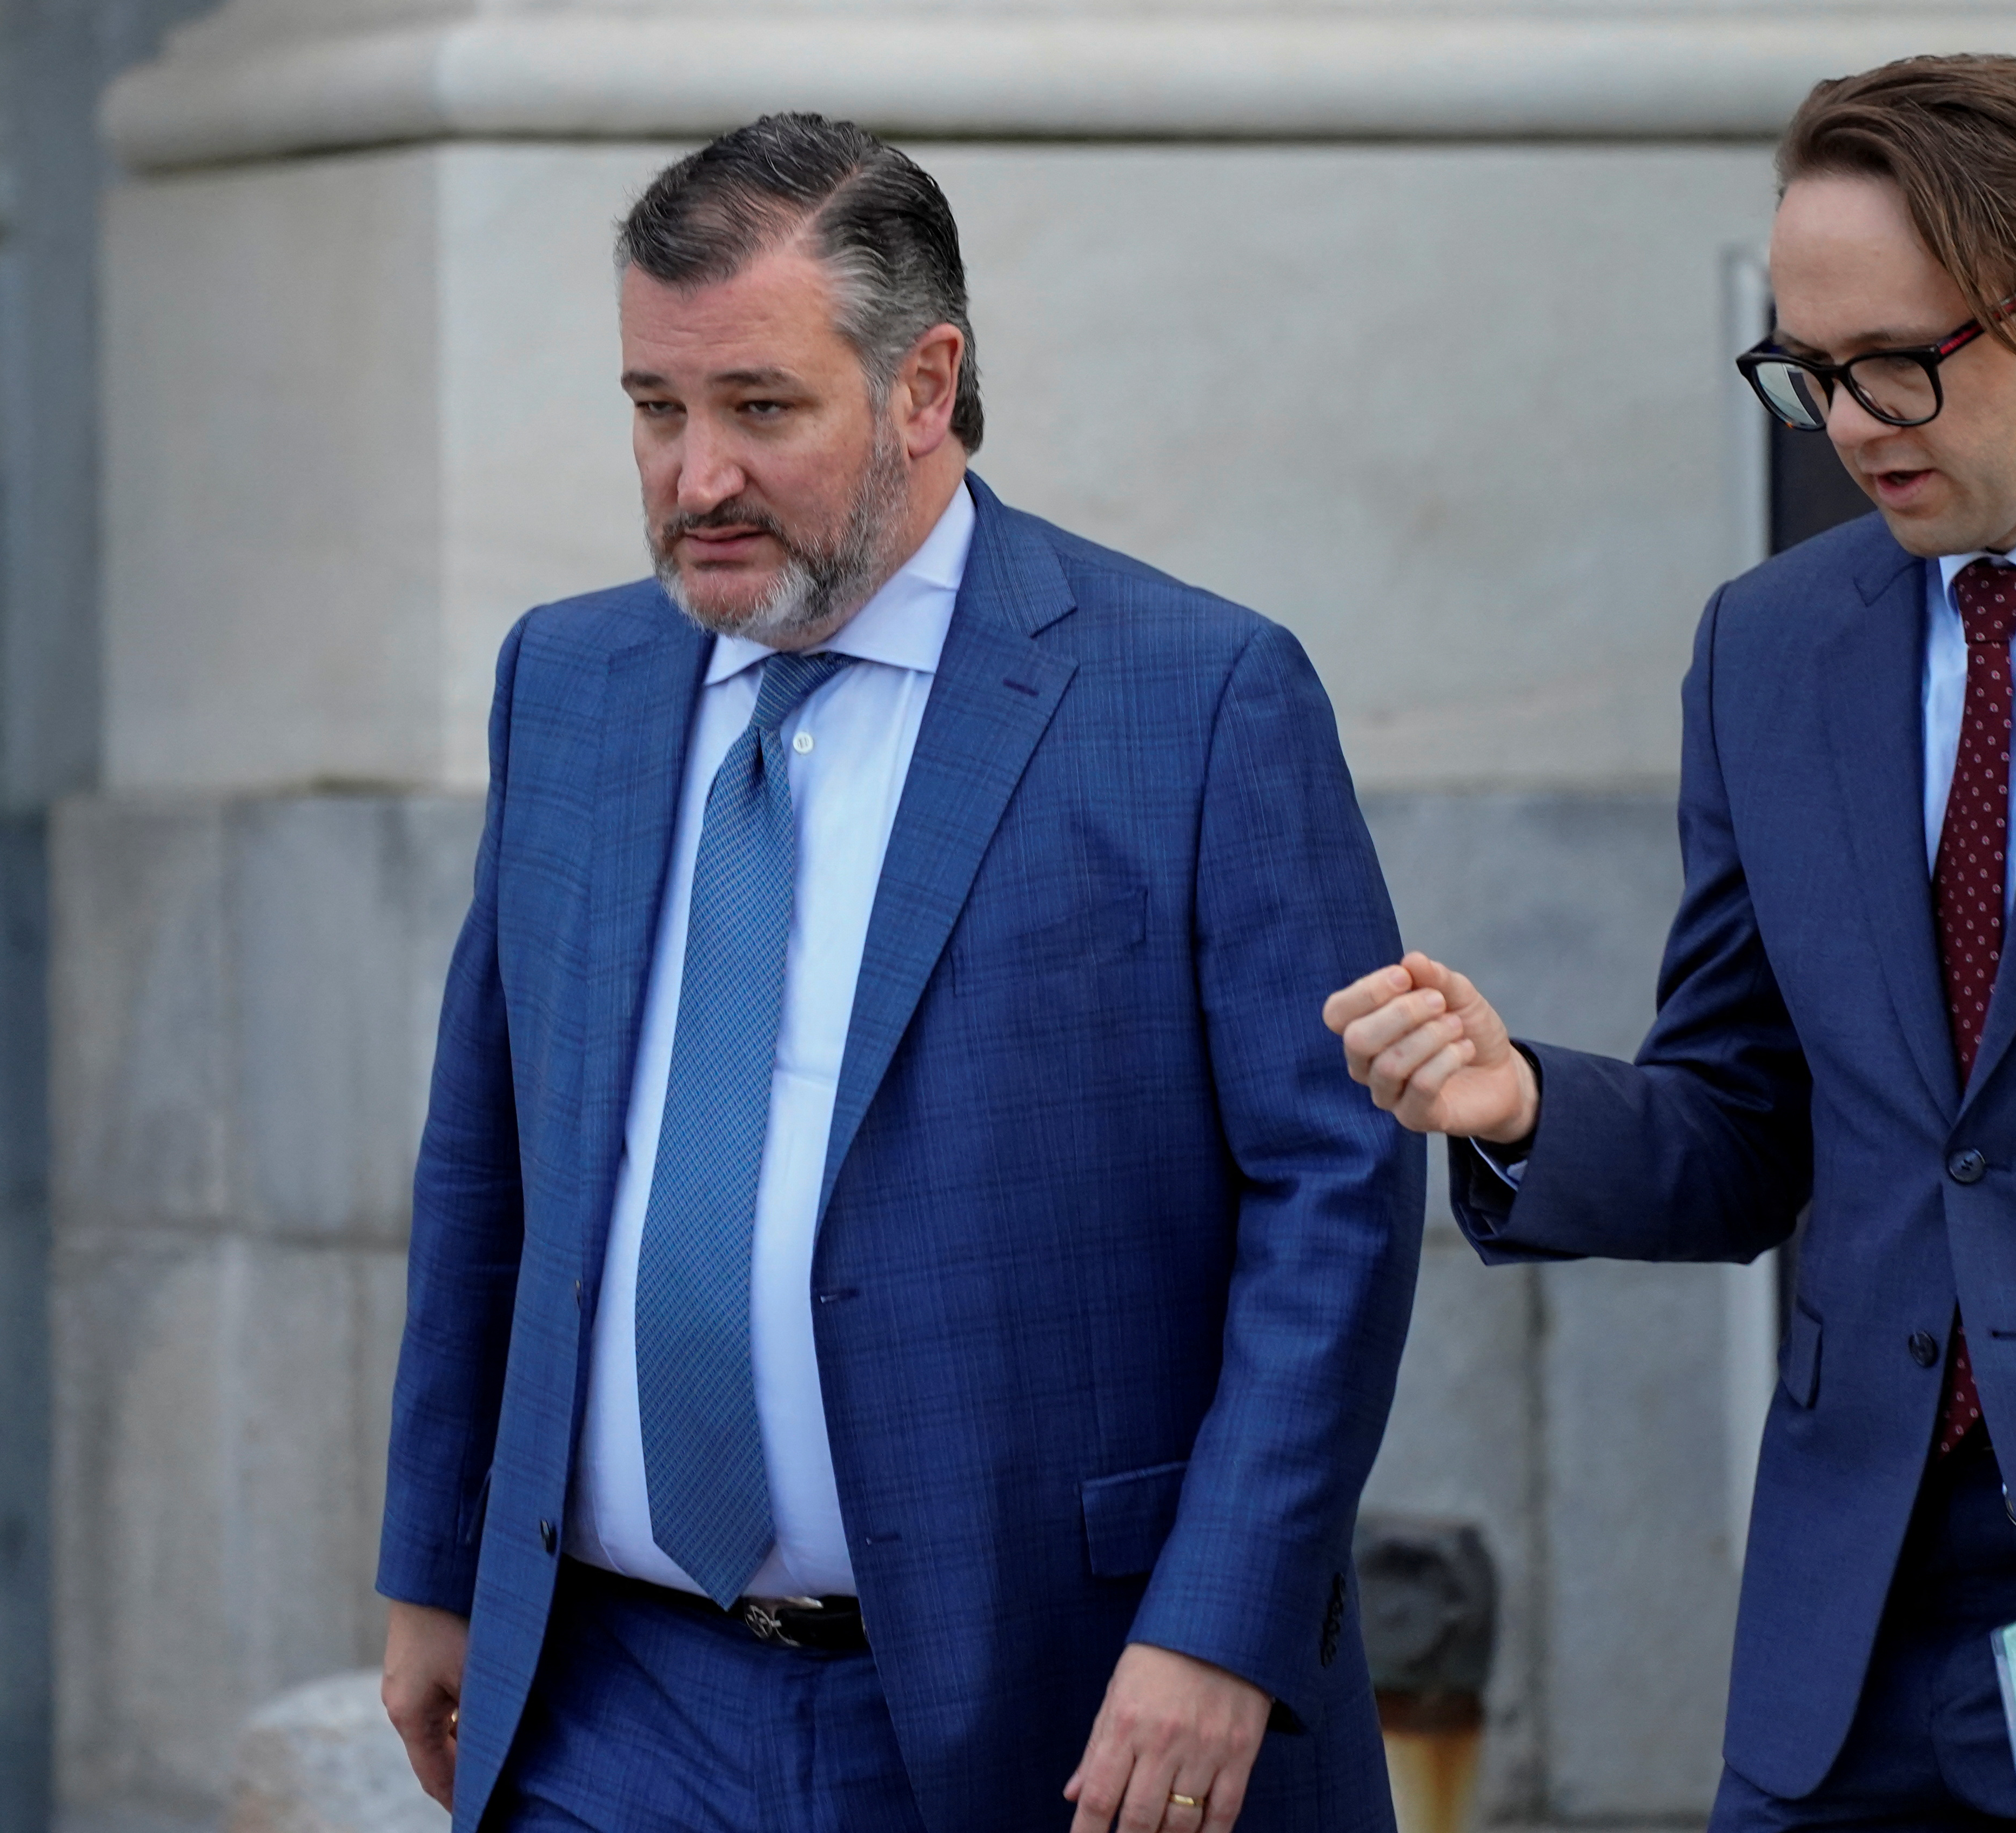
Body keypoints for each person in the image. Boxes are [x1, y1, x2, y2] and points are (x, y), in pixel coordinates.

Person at [1328, 52, 2016, 1829]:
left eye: (1896, 360)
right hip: (1852, 1630)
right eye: (1805, 373)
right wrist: (1522, 1108)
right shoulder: (1769, 646)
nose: (1851, 419)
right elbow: (1747, 1129)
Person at [376, 113, 1421, 1833]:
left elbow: (1337, 1193)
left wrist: (1221, 1624)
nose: (693, 475)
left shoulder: (1199, 695)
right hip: (615, 1697)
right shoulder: (566, 682)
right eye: (656, 408)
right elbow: (487, 1148)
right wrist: (434, 1558)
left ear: (924, 383)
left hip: (1042, 1700)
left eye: (759, 409)